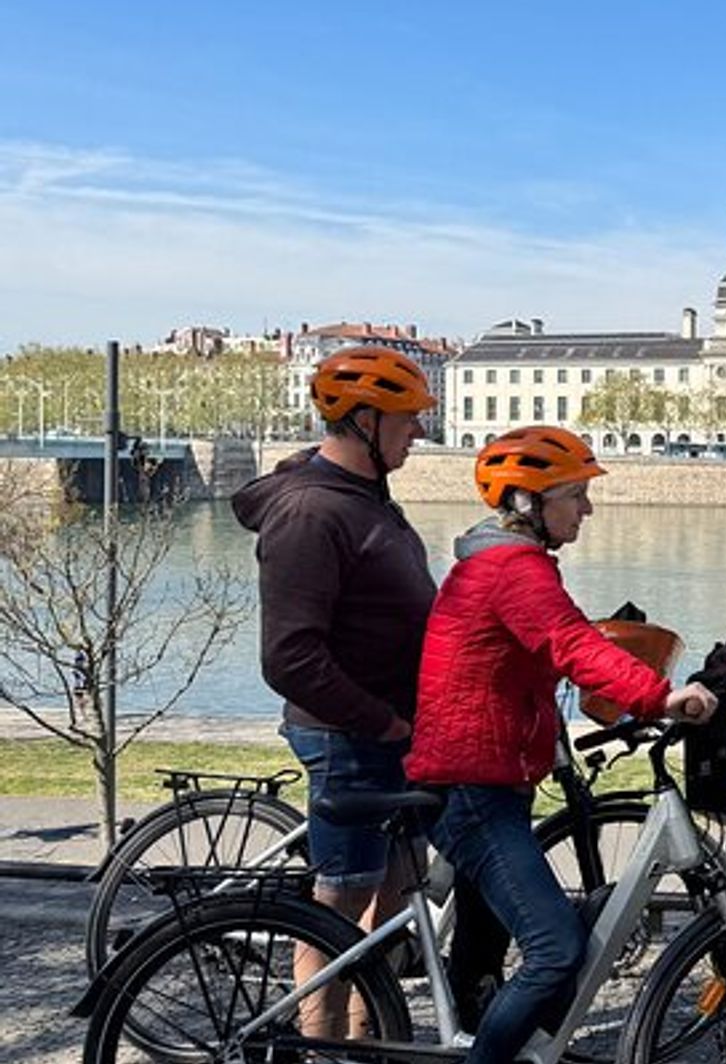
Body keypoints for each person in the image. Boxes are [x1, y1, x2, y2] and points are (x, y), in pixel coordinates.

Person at [406, 426, 717, 1064]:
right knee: (553, 948)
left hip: (483, 778)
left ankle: (485, 1036)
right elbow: (570, 645)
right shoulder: (511, 569)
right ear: (529, 503)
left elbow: (558, 643)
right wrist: (660, 697)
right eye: (576, 495)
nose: (588, 509)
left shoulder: (499, 564)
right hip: (474, 789)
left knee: (481, 956)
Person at [232, 344, 437, 1038]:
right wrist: (381, 723)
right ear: (364, 421)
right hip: (348, 735)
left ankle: (365, 1038)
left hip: (389, 734)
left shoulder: (363, 498)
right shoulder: (313, 514)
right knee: (336, 909)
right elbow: (289, 656)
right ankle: (319, 1046)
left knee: (395, 889)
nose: (418, 432)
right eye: (407, 419)